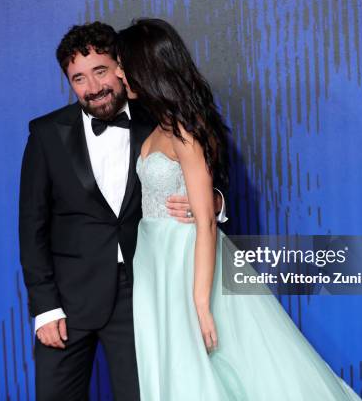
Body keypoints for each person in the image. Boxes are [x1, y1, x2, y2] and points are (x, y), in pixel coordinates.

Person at [115, 18, 362, 400]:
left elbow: (207, 224)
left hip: (187, 261)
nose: (118, 72)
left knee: (218, 365)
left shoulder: (184, 131)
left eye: (123, 63)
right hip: (155, 262)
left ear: (147, 67)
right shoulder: (157, 128)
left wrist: (200, 301)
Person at [18, 22, 226, 401]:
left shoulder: (157, 120)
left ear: (120, 66)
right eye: (78, 78)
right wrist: (45, 307)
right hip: (68, 298)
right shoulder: (47, 134)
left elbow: (205, 184)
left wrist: (214, 203)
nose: (93, 87)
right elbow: (32, 226)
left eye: (100, 71)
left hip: (143, 291)